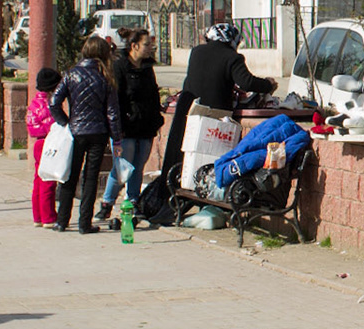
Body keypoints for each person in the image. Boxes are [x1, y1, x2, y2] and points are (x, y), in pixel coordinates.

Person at [159, 22, 278, 179]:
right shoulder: (232, 57)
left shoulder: (196, 51)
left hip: (189, 108)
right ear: (232, 40)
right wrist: (268, 84)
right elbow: (247, 82)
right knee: (211, 154)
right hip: (215, 112)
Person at [49, 36, 122, 234]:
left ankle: (62, 221)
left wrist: (66, 123)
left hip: (75, 132)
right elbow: (113, 113)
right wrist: (116, 138)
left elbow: (54, 102)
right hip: (98, 132)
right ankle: (84, 223)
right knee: (90, 179)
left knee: (69, 176)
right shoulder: (106, 76)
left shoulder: (71, 74)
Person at [99, 28, 163, 220]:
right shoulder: (119, 67)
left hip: (145, 126)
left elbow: (153, 95)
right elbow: (115, 99)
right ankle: (107, 203)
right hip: (125, 128)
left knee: (138, 166)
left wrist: (157, 118)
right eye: (146, 44)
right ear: (134, 46)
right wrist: (118, 125)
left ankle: (133, 202)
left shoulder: (146, 68)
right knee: (122, 166)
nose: (150, 48)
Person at [26, 67, 60, 227]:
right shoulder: (48, 104)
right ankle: (48, 216)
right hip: (48, 143)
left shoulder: (34, 103)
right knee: (48, 179)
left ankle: (37, 216)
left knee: (38, 179)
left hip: (37, 143)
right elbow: (52, 126)